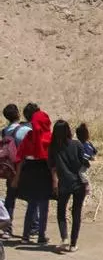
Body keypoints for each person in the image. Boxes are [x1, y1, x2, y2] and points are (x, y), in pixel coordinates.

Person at [48, 120, 89, 253]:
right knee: (76, 213)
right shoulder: (76, 144)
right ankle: (73, 244)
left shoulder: (53, 148)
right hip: (78, 183)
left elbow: (52, 167)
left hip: (64, 183)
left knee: (61, 211)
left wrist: (54, 183)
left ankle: (64, 237)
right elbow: (85, 163)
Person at [13, 104, 52, 244]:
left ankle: (25, 235)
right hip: (44, 170)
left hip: (29, 171)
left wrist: (17, 178)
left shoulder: (29, 136)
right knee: (44, 205)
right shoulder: (48, 137)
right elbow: (52, 159)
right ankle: (41, 235)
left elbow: (20, 157)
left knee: (32, 205)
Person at [2, 104, 30, 239]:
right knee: (32, 198)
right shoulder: (24, 130)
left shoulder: (4, 131)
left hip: (9, 169)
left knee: (10, 197)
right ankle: (33, 228)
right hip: (23, 168)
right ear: (18, 114)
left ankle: (7, 228)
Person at [74, 123, 96, 195]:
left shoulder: (82, 144)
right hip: (82, 162)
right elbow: (94, 150)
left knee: (81, 173)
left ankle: (87, 186)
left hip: (83, 162)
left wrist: (90, 156)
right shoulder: (86, 143)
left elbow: (85, 154)